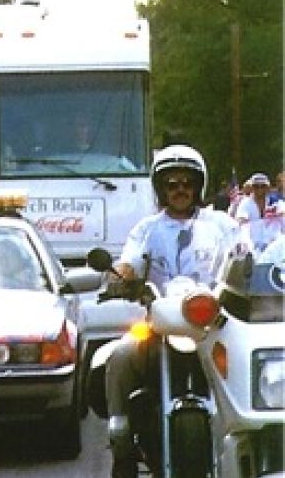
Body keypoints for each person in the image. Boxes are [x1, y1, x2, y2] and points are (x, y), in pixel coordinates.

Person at [102, 144, 240, 478]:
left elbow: (243, 254)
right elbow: (129, 260)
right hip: (160, 324)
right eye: (172, 183)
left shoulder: (221, 224)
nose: (180, 190)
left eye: (186, 182)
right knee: (120, 356)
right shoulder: (148, 229)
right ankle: (121, 439)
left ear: (198, 186)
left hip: (213, 326)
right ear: (161, 188)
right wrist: (119, 275)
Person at [233, 172, 282, 252]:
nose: (260, 189)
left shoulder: (275, 202)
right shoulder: (246, 203)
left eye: (262, 186)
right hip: (253, 246)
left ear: (267, 188)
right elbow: (241, 221)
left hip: (274, 246)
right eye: (256, 186)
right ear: (252, 188)